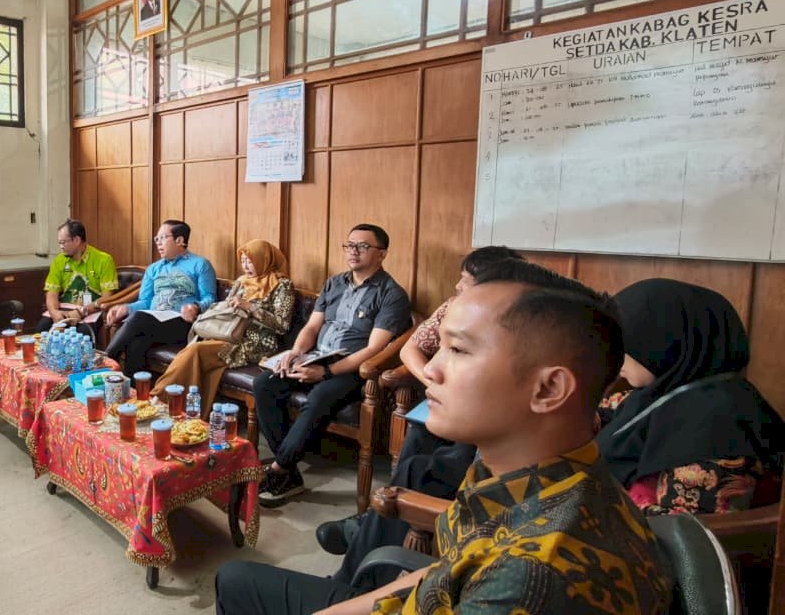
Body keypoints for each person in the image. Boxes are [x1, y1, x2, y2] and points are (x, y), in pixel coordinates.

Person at [216, 272, 675, 615]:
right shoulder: (523, 469)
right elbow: (446, 571)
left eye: (458, 350)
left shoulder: (532, 580)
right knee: (237, 577)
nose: (430, 370)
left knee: (236, 580)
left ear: (548, 390)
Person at [314, 246, 522, 555]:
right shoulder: (453, 306)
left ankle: (382, 520)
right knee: (417, 439)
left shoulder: (514, 325)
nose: (457, 286)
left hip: (482, 415)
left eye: (465, 280)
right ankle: (381, 517)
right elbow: (410, 348)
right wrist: (431, 380)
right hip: (446, 400)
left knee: (429, 464)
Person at [255, 224, 411, 507]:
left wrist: (325, 372)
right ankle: (288, 469)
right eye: (349, 245)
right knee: (265, 383)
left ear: (382, 254)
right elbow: (313, 325)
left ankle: (278, 470)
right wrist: (296, 352)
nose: (353, 251)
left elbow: (374, 350)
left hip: (353, 368)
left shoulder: (391, 294)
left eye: (363, 246)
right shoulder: (334, 283)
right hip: (316, 354)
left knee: (319, 396)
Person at [600, 278, 783, 516]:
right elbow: (601, 417)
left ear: (665, 342)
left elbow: (688, 532)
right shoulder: (665, 393)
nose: (613, 358)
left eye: (624, 345)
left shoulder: (716, 423)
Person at [150, 239, 294, 418]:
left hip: (255, 341)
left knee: (195, 350)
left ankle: (159, 400)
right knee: (192, 352)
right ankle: (182, 412)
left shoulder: (282, 285)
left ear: (263, 259)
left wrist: (251, 308)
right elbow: (228, 310)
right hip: (227, 332)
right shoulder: (242, 281)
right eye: (243, 261)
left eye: (250, 261)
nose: (246, 266)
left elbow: (282, 325)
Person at [102, 219, 217, 374]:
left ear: (180, 240)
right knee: (136, 343)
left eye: (163, 238)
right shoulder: (153, 269)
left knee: (138, 319)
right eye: (157, 239)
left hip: (182, 324)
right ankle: (135, 392)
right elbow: (146, 302)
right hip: (152, 322)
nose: (158, 243)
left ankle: (105, 362)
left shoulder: (200, 264)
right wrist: (126, 308)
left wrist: (196, 307)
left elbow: (210, 298)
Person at [37, 219, 117, 338]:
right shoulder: (59, 260)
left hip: (92, 310)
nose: (61, 247)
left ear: (77, 240)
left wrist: (81, 312)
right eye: (59, 242)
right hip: (65, 308)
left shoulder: (104, 260)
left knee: (82, 332)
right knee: (43, 326)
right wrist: (54, 312)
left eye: (63, 242)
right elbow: (51, 293)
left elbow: (108, 297)